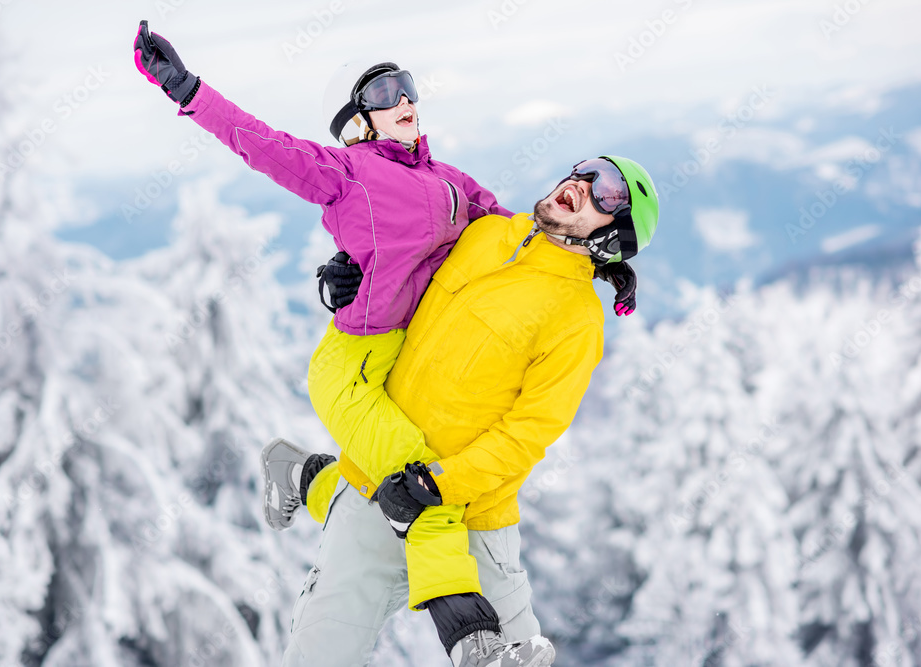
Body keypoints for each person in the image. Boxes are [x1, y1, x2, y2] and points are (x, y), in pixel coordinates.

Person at [132, 20, 611, 666]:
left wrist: (592, 261)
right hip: (349, 366)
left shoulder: (449, 183)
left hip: (391, 359)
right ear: (358, 120)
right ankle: (472, 641)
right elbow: (264, 146)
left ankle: (301, 474)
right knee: (413, 477)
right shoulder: (346, 173)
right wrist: (189, 90)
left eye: (406, 84)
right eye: (384, 91)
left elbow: (504, 238)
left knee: (379, 480)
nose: (404, 96)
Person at [277, 155, 660, 666]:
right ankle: (309, 476)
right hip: (373, 489)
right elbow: (399, 265)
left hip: (474, 524)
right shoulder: (483, 235)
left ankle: (302, 475)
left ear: (612, 238)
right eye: (587, 171)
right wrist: (349, 275)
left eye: (607, 195)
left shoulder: (576, 322)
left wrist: (440, 484)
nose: (584, 185)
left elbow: (526, 437)